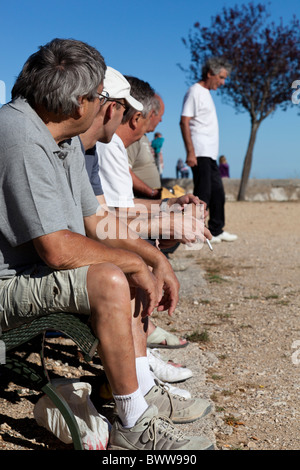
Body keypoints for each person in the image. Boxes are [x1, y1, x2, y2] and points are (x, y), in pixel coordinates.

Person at [0, 40, 213, 451]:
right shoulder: (22, 138)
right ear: (80, 103)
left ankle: (140, 395)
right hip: (6, 283)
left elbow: (96, 222)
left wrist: (151, 258)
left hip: (30, 273)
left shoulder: (60, 140)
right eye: (100, 97)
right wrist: (133, 265)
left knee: (124, 265)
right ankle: (133, 427)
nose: (105, 107)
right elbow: (58, 250)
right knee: (111, 278)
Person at [180, 56, 237, 244]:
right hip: (200, 153)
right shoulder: (194, 91)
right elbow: (184, 121)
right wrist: (190, 152)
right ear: (209, 73)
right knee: (203, 194)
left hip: (210, 155)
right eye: (221, 77)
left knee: (218, 193)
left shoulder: (206, 94)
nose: (223, 82)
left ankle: (216, 230)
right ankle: (196, 231)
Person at [127, 94, 164, 199]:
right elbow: (124, 171)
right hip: (141, 202)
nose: (161, 120)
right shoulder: (134, 137)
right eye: (160, 115)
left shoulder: (144, 137)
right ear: (151, 113)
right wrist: (153, 193)